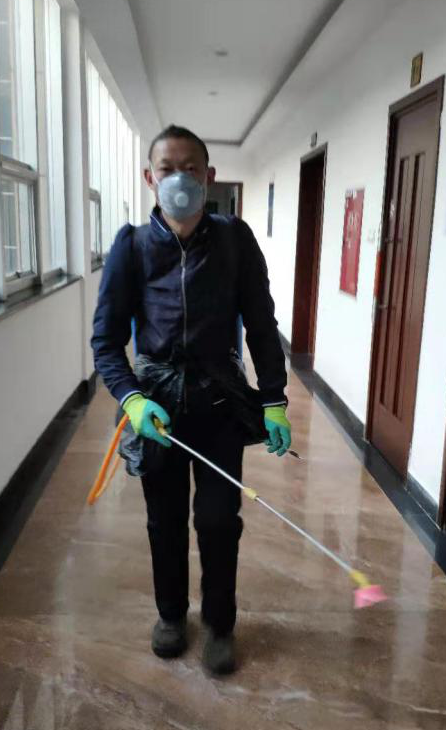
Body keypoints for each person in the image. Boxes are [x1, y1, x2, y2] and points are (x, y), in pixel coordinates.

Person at [91, 124, 291, 675]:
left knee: (219, 520)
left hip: (219, 403)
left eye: (190, 168)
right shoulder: (133, 246)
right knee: (165, 520)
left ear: (209, 175)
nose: (178, 178)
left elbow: (262, 323)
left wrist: (274, 399)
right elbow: (106, 340)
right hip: (157, 409)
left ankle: (220, 623)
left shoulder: (234, 240)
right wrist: (132, 400)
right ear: (149, 177)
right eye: (167, 168)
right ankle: (172, 615)